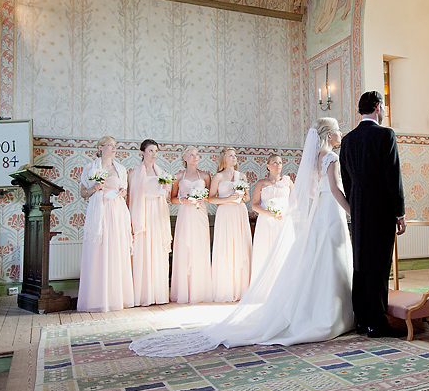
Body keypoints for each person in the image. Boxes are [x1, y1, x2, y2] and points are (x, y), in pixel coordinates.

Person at [129, 118, 354, 356]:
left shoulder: (314, 159)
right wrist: (352, 210)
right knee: (330, 257)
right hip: (329, 211)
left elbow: (309, 192)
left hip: (320, 212)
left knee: (319, 258)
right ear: (329, 135)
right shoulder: (331, 158)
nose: (341, 134)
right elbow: (334, 190)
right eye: (338, 131)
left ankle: (318, 309)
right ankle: (331, 311)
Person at [339, 90, 407, 338]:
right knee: (379, 266)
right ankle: (377, 324)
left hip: (358, 209)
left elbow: (346, 179)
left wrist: (355, 205)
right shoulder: (385, 134)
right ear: (378, 107)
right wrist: (399, 212)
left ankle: (361, 321)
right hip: (380, 209)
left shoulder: (348, 140)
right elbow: (393, 176)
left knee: (361, 265)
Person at [77, 136, 134, 312]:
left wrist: (123, 192)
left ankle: (117, 297)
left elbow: (123, 191)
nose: (113, 148)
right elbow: (83, 193)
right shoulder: (90, 168)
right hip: (99, 212)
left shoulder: (121, 168)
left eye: (114, 145)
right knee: (98, 252)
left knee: (115, 251)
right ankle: (97, 299)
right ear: (100, 147)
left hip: (116, 212)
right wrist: (95, 187)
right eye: (109, 145)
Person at [128, 139, 172, 306]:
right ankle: (141, 294)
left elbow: (165, 197)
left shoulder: (161, 172)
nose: (154, 154)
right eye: (151, 151)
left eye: (156, 151)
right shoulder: (134, 173)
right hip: (142, 212)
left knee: (157, 250)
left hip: (158, 212)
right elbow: (131, 198)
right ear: (142, 153)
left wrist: (166, 188)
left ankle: (158, 293)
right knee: (142, 250)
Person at [169, 146, 214, 303]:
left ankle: (200, 290)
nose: (195, 157)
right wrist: (184, 200)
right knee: (184, 248)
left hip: (200, 213)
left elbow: (211, 196)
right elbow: (172, 198)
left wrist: (204, 198)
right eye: (192, 155)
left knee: (200, 248)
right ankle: (184, 290)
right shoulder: (178, 176)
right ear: (184, 158)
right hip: (185, 214)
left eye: (197, 155)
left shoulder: (205, 176)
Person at [208, 147, 251, 302]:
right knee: (226, 247)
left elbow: (247, 198)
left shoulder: (242, 176)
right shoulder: (218, 177)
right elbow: (211, 198)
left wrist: (242, 196)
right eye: (230, 155)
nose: (234, 158)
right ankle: (226, 289)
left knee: (240, 246)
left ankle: (241, 288)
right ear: (224, 159)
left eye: (235, 155)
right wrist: (228, 199)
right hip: (225, 213)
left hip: (239, 212)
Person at [250, 154, 293, 284]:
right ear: (268, 166)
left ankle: (283, 285)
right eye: (274, 162)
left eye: (280, 162)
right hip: (266, 221)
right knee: (265, 251)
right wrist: (269, 213)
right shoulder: (261, 183)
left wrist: (284, 213)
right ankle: (263, 285)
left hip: (283, 220)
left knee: (283, 251)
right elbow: (254, 205)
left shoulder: (288, 182)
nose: (278, 165)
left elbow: (295, 202)